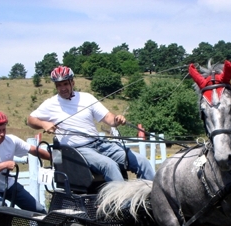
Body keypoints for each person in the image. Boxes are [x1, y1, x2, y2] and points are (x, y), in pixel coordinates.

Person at [27, 66, 155, 182]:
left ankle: (152, 200)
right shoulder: (51, 104)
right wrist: (44, 124)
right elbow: (30, 120)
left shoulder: (87, 98)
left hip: (100, 144)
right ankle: (123, 205)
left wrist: (117, 120)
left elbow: (109, 118)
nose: (63, 88)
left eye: (65, 83)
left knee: (141, 161)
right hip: (78, 150)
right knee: (109, 165)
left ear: (72, 82)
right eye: (59, 85)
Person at [0, 111, 51, 214]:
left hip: (9, 185)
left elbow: (33, 150)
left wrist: (54, 159)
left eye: (4, 130)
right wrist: (4, 165)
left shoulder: (11, 140)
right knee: (2, 209)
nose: (2, 134)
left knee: (38, 210)